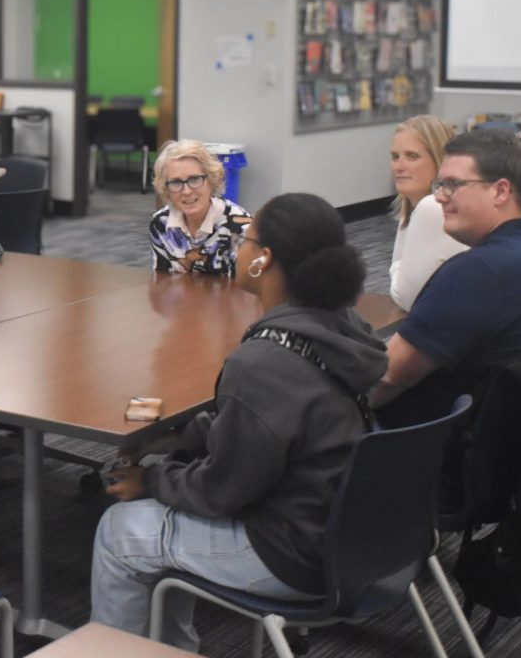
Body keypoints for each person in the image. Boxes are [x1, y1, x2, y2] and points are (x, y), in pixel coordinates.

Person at [91, 193, 387, 650]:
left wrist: (150, 483)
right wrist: (174, 439)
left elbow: (220, 491)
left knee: (120, 530)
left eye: (244, 239)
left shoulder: (262, 361)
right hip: (350, 534)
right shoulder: (342, 327)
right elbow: (268, 426)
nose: (236, 249)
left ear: (262, 259)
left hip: (292, 553)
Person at [371, 129, 521, 428]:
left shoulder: (479, 272)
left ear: (500, 191)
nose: (439, 196)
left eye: (453, 184)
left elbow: (386, 378)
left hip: (435, 452)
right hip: (509, 445)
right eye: (439, 184)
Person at [388, 115, 467, 310]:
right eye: (395, 157)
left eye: (412, 156)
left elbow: (403, 297)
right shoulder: (417, 206)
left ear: (441, 160)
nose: (399, 166)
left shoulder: (435, 206)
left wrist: (397, 267)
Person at [148, 140, 252, 275]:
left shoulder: (240, 228)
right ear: (165, 188)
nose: (186, 191)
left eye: (195, 179)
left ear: (212, 179)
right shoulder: (160, 223)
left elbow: (247, 290)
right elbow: (162, 281)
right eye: (176, 182)